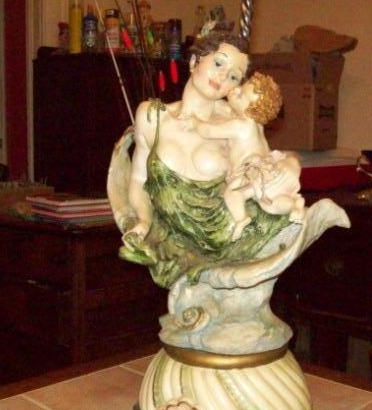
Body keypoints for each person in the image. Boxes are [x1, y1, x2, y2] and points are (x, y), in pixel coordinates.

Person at [119, 32, 292, 288]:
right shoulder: (152, 115)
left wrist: (288, 166)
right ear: (194, 61)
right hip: (175, 243)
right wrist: (144, 221)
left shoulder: (236, 122)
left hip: (232, 240)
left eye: (233, 77)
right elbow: (138, 179)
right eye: (218, 63)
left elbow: (264, 163)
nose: (222, 77)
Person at [194, 72, 305, 241]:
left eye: (240, 94)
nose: (235, 90)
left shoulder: (240, 125)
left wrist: (195, 122)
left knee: (232, 193)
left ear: (250, 110)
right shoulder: (257, 125)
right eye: (240, 87)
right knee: (270, 202)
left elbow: (208, 131)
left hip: (250, 170)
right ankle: (294, 204)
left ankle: (241, 218)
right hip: (268, 167)